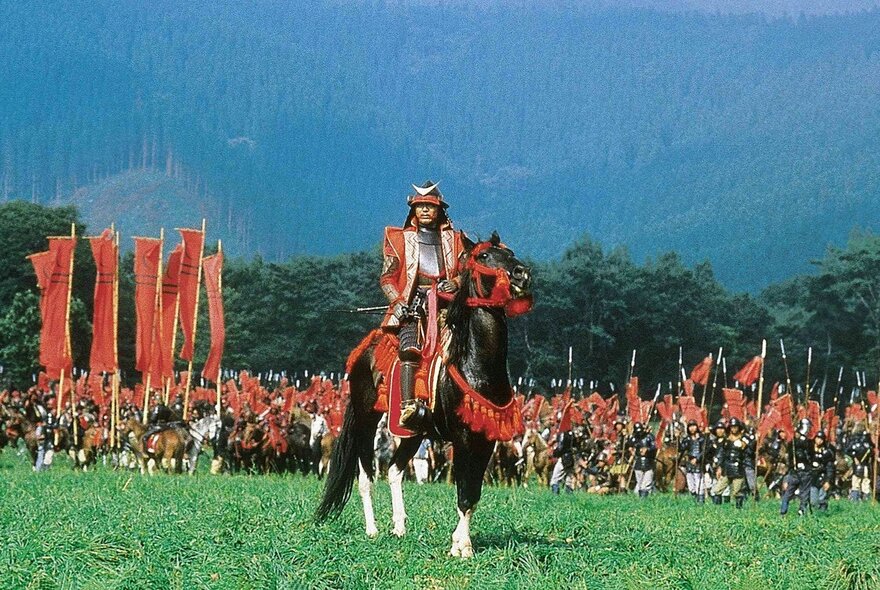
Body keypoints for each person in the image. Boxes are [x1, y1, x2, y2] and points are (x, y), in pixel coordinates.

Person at [380, 181, 468, 431]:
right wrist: (397, 303)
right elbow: (387, 278)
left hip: (446, 306)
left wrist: (457, 281)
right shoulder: (398, 239)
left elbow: (467, 272)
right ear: (414, 210)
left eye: (430, 206)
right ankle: (408, 406)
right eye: (421, 207)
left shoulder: (457, 240)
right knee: (410, 349)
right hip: (413, 305)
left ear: (439, 210)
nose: (426, 211)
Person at [711, 418, 748, 508]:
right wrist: (719, 467)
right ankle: (717, 511)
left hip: (738, 469)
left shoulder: (744, 439)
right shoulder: (726, 440)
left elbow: (749, 452)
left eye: (735, 427)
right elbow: (722, 454)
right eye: (732, 427)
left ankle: (739, 510)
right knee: (717, 489)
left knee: (737, 492)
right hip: (727, 468)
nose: (734, 429)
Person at [780, 418, 814, 516]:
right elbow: (791, 455)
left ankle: (800, 511)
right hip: (796, 471)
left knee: (802, 493)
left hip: (803, 471)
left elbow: (810, 456)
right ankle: (784, 511)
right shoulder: (795, 442)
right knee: (791, 492)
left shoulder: (806, 442)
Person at [679, 419, 708, 503]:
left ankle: (700, 502)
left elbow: (705, 450)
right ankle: (694, 500)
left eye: (693, 426)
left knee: (699, 483)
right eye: (690, 426)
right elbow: (681, 448)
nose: (692, 428)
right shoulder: (687, 439)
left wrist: (697, 458)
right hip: (689, 464)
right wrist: (677, 438)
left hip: (699, 463)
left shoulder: (702, 438)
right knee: (691, 486)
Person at [844, 422, 874, 501]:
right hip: (858, 463)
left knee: (865, 481)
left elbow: (872, 449)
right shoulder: (854, 439)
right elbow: (848, 450)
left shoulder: (867, 439)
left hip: (865, 463)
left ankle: (865, 498)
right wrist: (854, 458)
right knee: (857, 481)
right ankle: (855, 498)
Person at [627, 422, 656, 498]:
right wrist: (631, 450)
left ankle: (645, 499)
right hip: (638, 463)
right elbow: (629, 444)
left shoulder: (649, 437)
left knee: (646, 484)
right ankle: (640, 498)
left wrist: (647, 449)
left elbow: (654, 447)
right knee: (640, 483)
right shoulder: (634, 438)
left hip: (648, 462)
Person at [809, 431, 835, 511]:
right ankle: (813, 516)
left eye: (821, 439)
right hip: (812, 478)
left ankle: (822, 514)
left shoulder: (827, 452)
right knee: (813, 501)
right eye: (818, 438)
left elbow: (829, 468)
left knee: (822, 499)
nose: (819, 441)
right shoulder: (809, 450)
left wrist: (828, 480)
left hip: (823, 477)